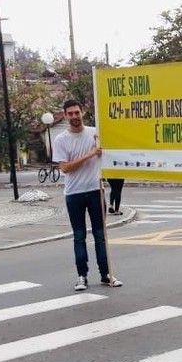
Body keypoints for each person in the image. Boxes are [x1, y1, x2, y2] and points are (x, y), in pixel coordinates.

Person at [52, 99, 123, 291]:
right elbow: (65, 167)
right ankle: (81, 275)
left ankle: (106, 273)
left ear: (82, 112)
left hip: (95, 190)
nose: (75, 116)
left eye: (77, 112)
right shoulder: (61, 140)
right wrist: (90, 154)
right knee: (79, 236)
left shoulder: (95, 134)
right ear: (65, 115)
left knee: (101, 235)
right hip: (74, 193)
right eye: (71, 113)